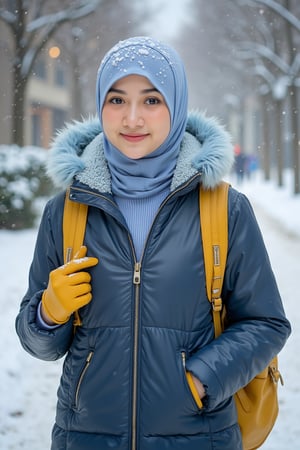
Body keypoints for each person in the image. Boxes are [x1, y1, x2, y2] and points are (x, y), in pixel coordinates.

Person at [16, 36, 291, 450]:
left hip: (200, 436)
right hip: (86, 438)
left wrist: (201, 379)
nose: (131, 119)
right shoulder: (67, 209)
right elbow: (38, 341)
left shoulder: (224, 209)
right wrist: (47, 315)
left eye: (150, 101)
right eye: (116, 100)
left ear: (176, 105)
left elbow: (266, 323)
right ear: (100, 105)